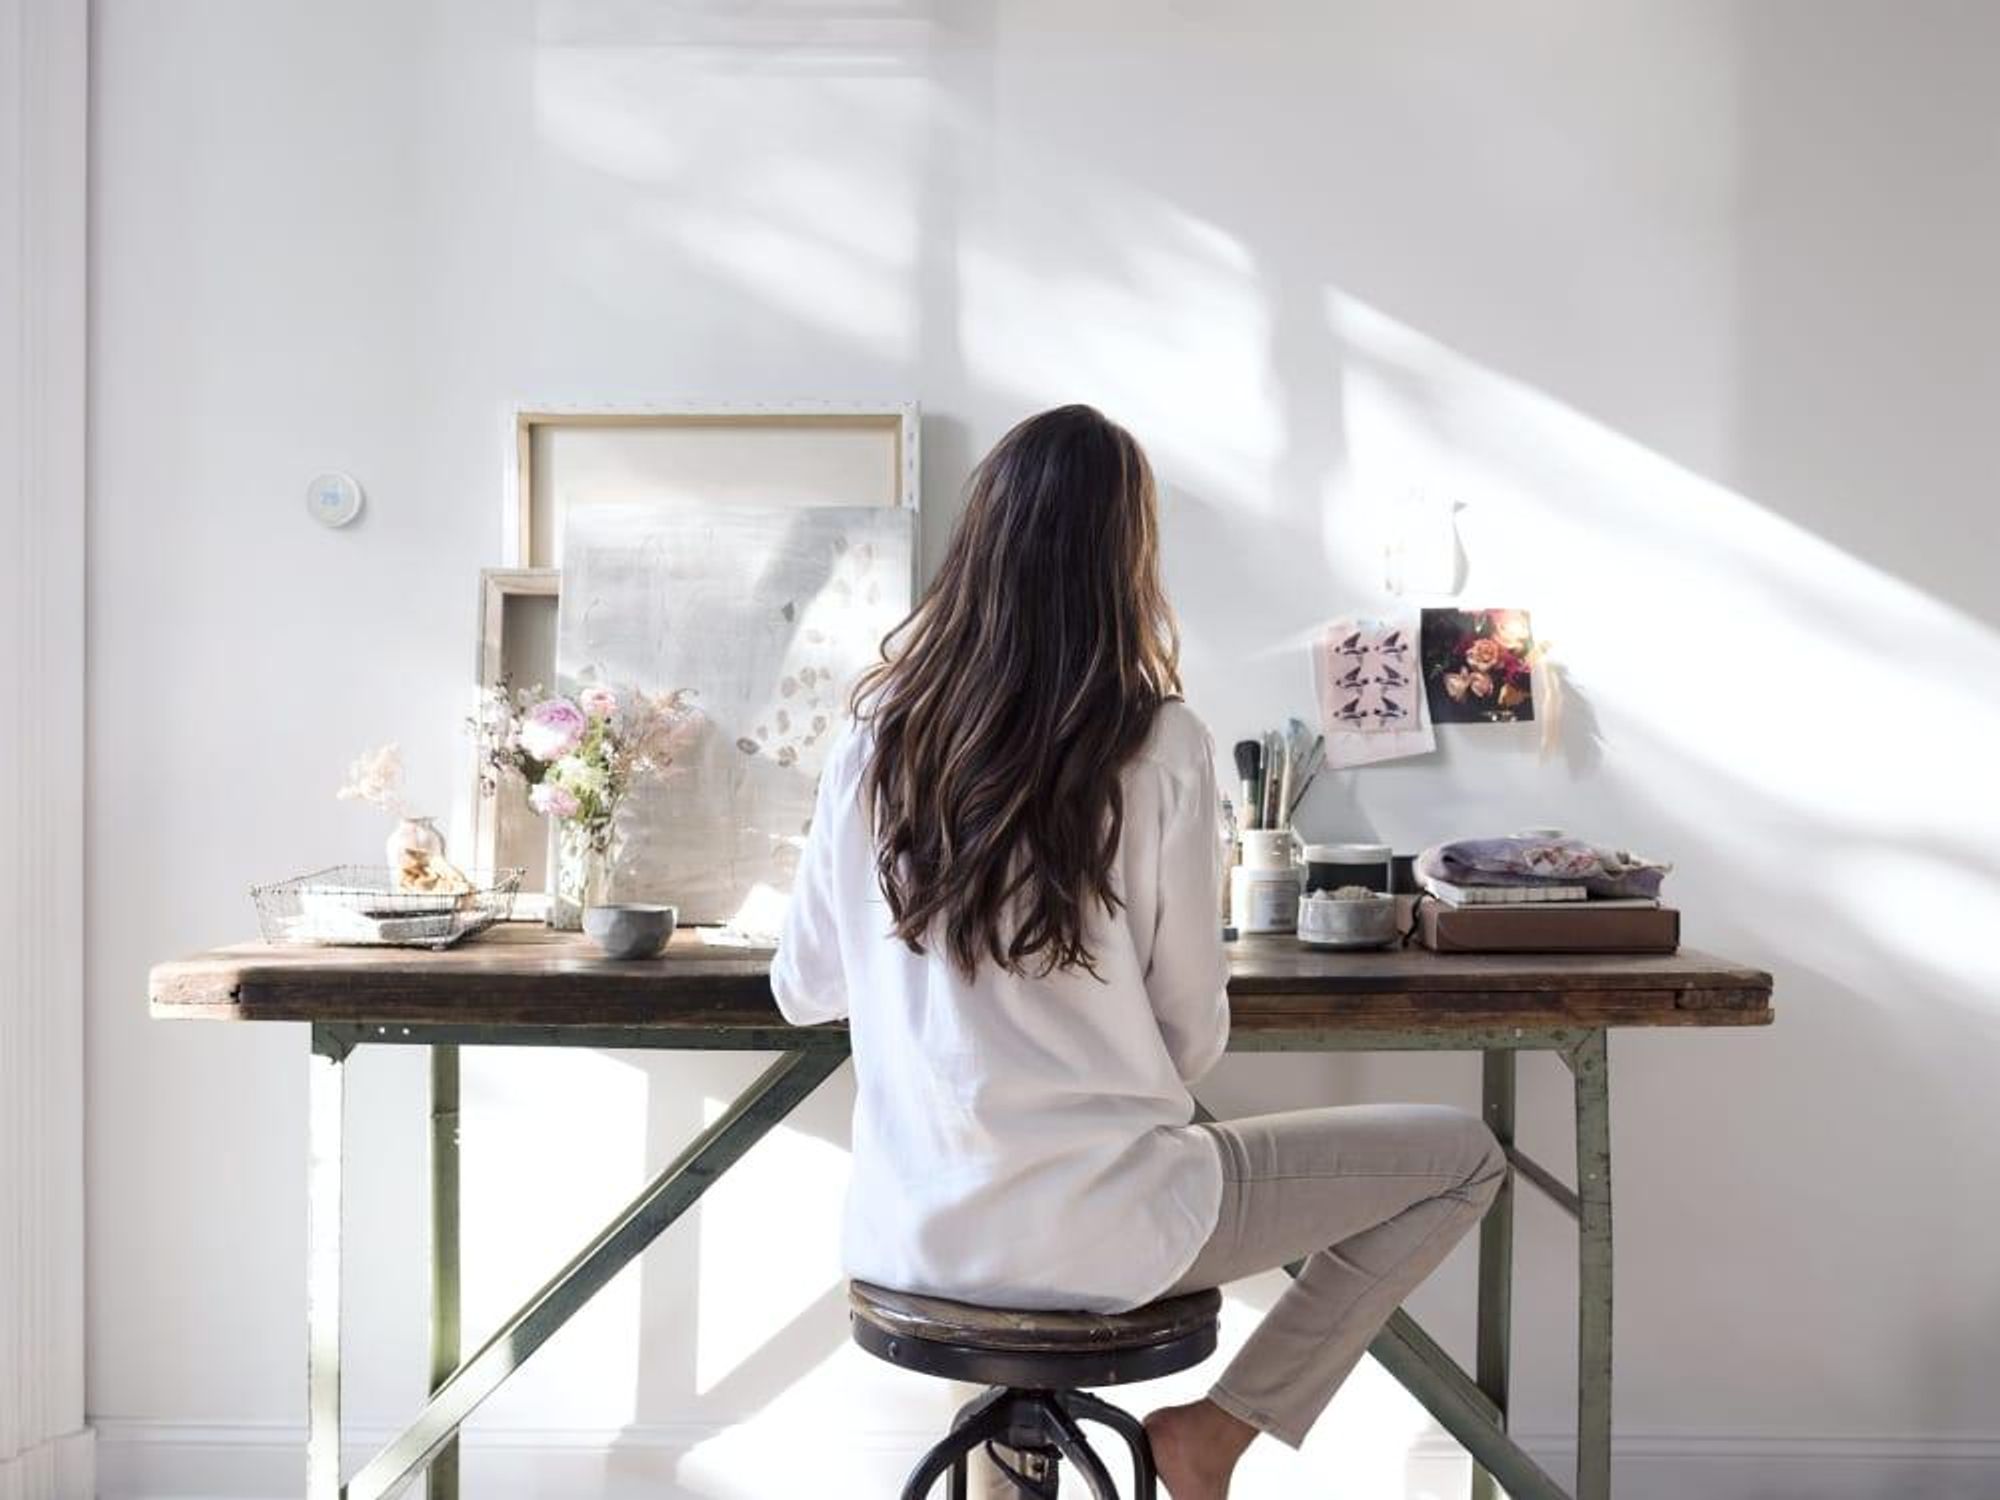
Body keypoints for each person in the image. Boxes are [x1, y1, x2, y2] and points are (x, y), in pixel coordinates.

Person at [773, 404, 1504, 1499]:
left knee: (1032, 1232)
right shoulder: (1158, 741)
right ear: (1126, 556)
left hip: (911, 1233)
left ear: (977, 546)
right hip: (1105, 1228)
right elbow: (1189, 1033)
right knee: (1462, 1157)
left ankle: (1014, 1472)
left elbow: (803, 988)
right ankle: (1214, 1434)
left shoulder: (877, 740)